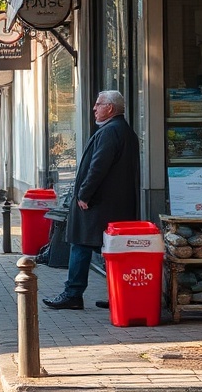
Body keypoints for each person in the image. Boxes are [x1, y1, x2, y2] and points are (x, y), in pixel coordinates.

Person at [43, 90, 140, 310]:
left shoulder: (110, 132)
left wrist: (84, 194)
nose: (94, 108)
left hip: (99, 204)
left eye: (98, 104)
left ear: (110, 108)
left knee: (81, 244)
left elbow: (98, 167)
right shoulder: (123, 131)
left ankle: (73, 294)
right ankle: (119, 294)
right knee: (111, 248)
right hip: (115, 204)